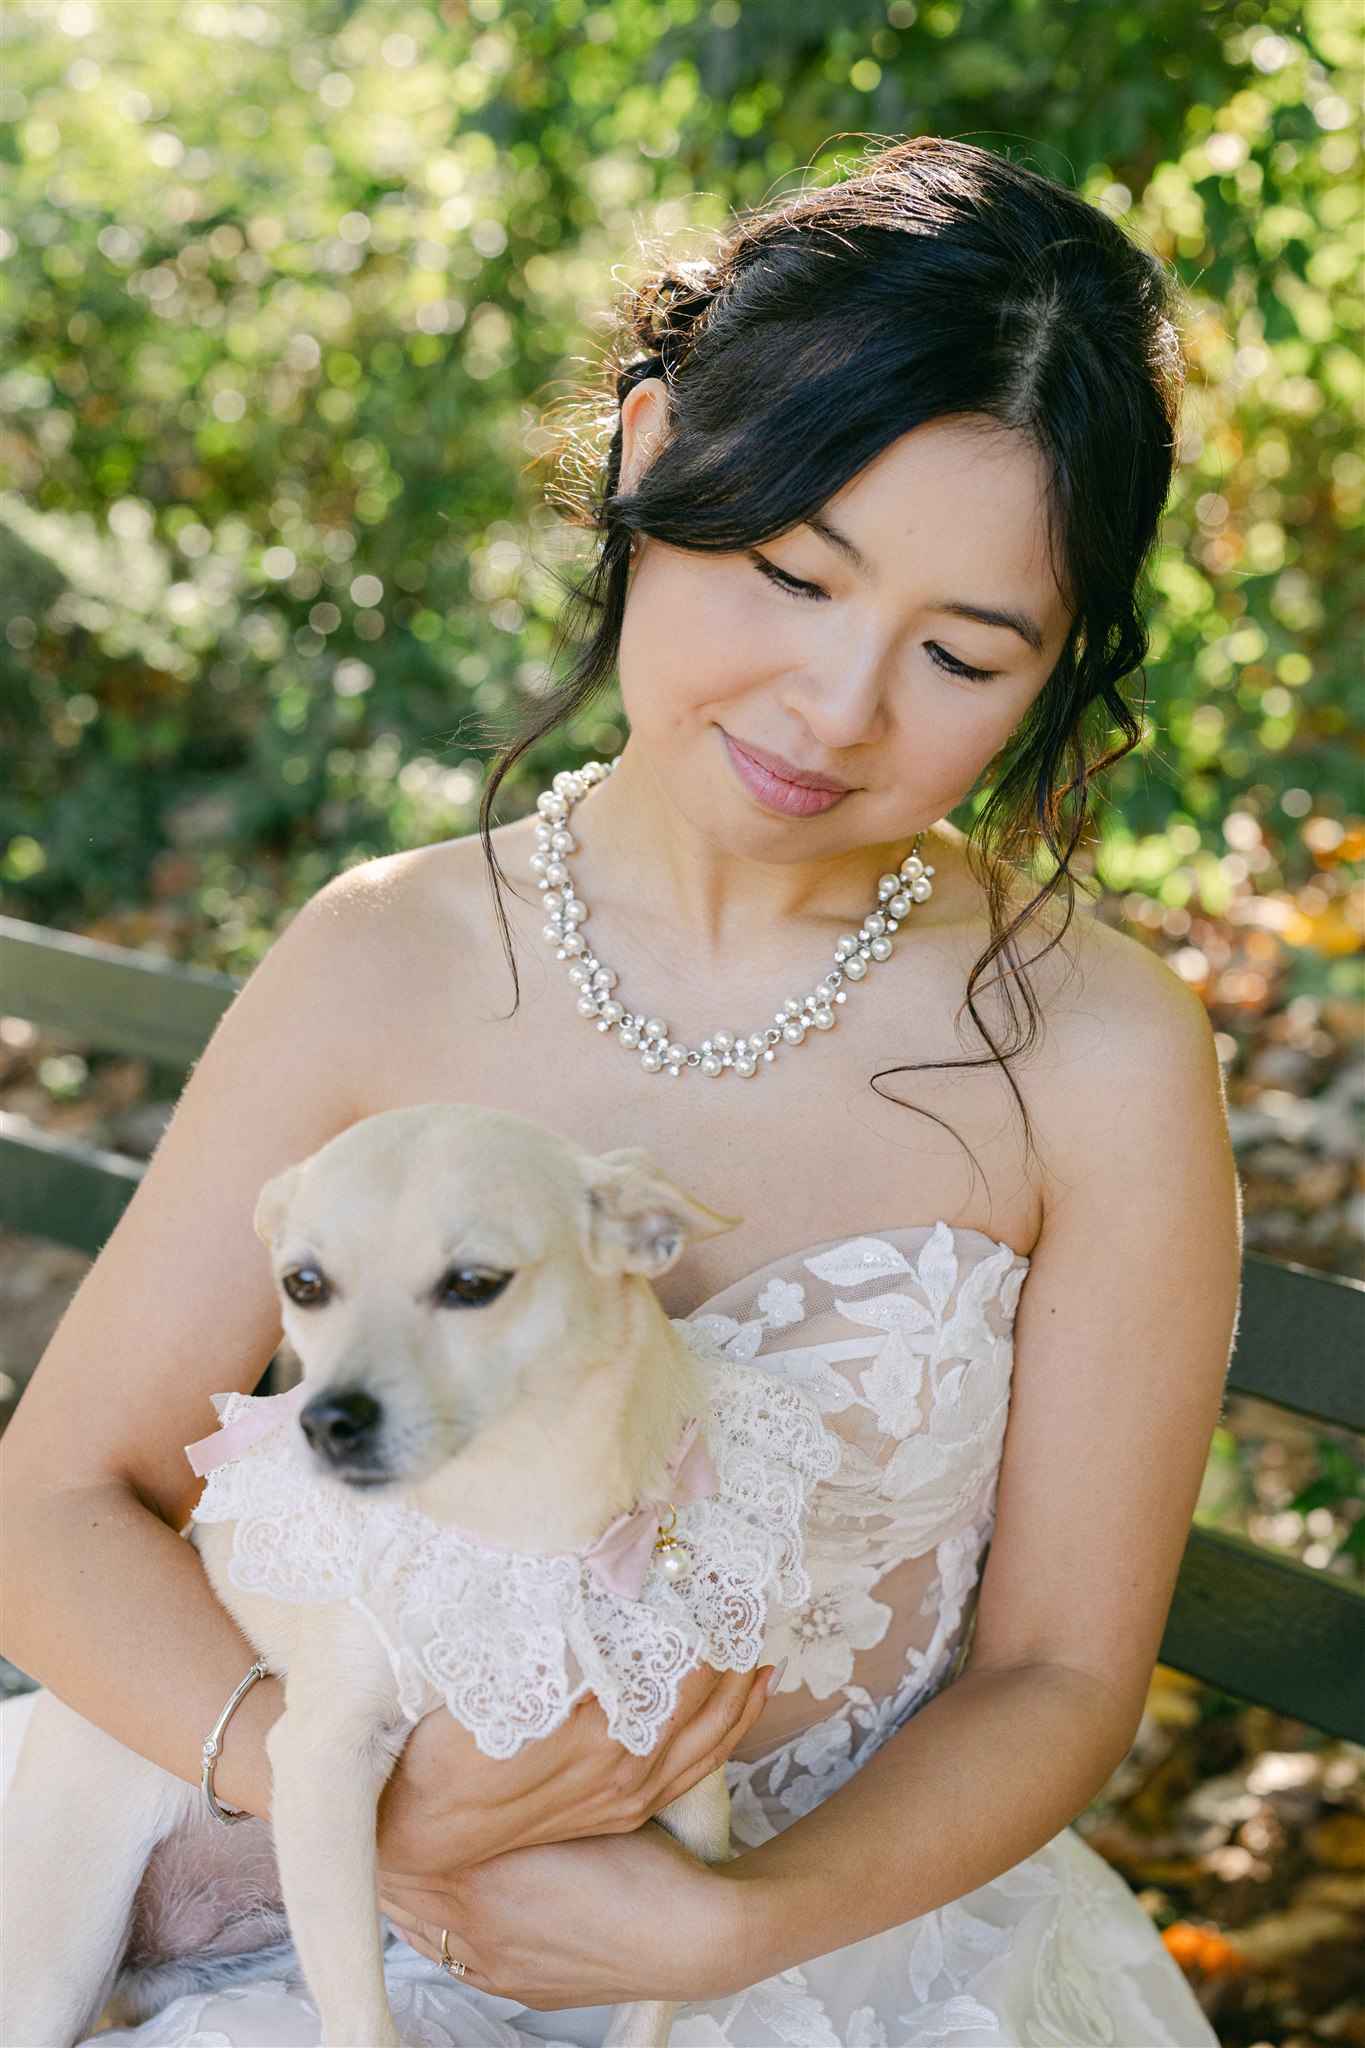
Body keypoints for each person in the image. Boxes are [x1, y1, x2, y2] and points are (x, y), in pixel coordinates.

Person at [0, 133, 1240, 2046]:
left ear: (1059, 669)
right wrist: (322, 1793)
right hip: (309, 1906)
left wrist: (721, 1934)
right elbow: (63, 1492)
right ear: (652, 456)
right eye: (788, 574)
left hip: (829, 1945)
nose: (838, 708)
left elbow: (1063, 1671)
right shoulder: (383, 956)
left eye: (963, 654)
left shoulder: (1096, 1051)